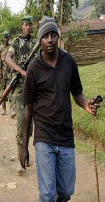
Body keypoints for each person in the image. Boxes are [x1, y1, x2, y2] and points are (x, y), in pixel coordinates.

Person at [20, 16, 101, 202]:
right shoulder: (33, 69)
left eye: (53, 35)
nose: (50, 40)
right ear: (40, 40)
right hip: (44, 136)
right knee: (47, 194)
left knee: (65, 192)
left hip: (65, 135)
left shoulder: (68, 62)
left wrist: (87, 106)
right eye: (45, 36)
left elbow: (77, 93)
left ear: (58, 37)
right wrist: (24, 147)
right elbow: (28, 109)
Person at [6, 15, 36, 174]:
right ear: (22, 27)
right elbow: (8, 58)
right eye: (26, 25)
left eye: (30, 25)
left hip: (34, 90)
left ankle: (25, 151)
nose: (28, 28)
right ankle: (20, 161)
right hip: (19, 91)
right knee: (20, 124)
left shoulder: (36, 43)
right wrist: (20, 71)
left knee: (29, 125)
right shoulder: (16, 42)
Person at [0, 30, 14, 116]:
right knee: (3, 92)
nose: (5, 39)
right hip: (3, 74)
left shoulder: (11, 47)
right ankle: (3, 109)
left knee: (11, 92)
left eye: (7, 37)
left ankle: (12, 110)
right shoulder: (0, 49)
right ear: (2, 39)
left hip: (10, 73)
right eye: (4, 37)